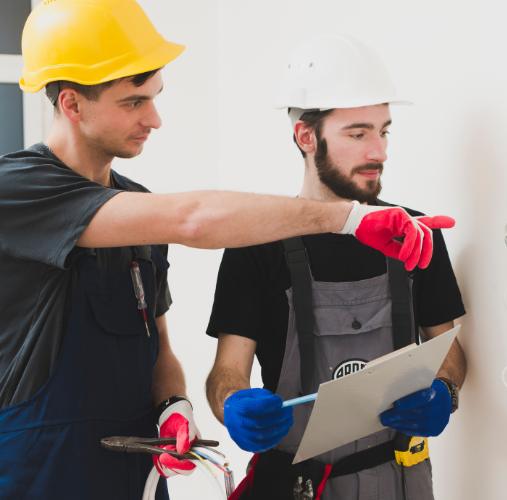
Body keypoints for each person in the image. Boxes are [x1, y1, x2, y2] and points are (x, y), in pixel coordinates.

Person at [0, 3, 453, 499]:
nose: (154, 118)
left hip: (135, 476)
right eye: (134, 102)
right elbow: (193, 219)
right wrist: (351, 218)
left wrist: (174, 404)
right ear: (71, 104)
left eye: (155, 97)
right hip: (39, 475)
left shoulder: (137, 209)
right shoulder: (16, 190)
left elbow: (160, 347)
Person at [204, 35, 467, 500]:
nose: (379, 152)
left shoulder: (416, 233)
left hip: (402, 483)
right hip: (296, 486)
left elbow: (448, 351)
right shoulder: (256, 245)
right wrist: (233, 407)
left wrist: (445, 391)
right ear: (307, 136)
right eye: (358, 133)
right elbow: (227, 373)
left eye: (384, 131)